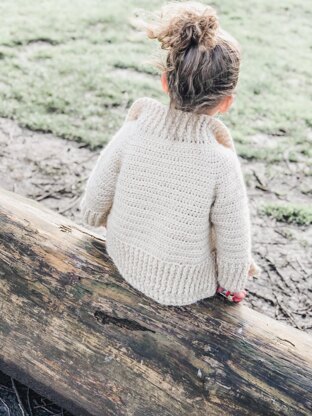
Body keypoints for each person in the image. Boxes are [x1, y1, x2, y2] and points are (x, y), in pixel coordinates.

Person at [80, 1, 261, 306]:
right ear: (226, 103)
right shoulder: (221, 162)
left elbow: (98, 193)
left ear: (165, 81)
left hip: (123, 253)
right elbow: (233, 235)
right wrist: (233, 283)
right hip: (185, 285)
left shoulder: (133, 132)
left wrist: (95, 215)